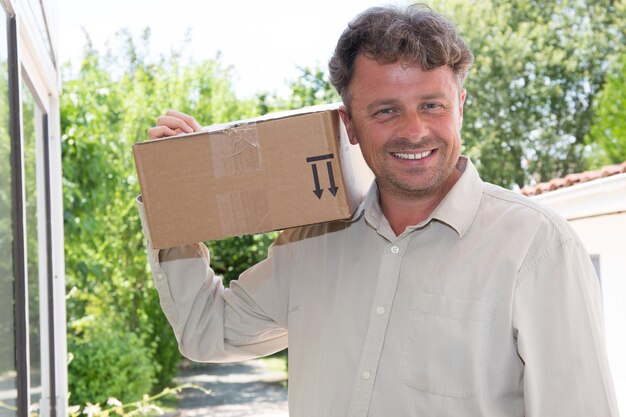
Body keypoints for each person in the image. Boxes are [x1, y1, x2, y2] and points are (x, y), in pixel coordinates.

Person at [140, 4, 619, 416]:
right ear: (349, 125)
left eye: (432, 105)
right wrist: (178, 198)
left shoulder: (537, 246)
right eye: (386, 111)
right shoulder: (313, 241)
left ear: (461, 107)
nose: (414, 131)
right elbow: (207, 331)